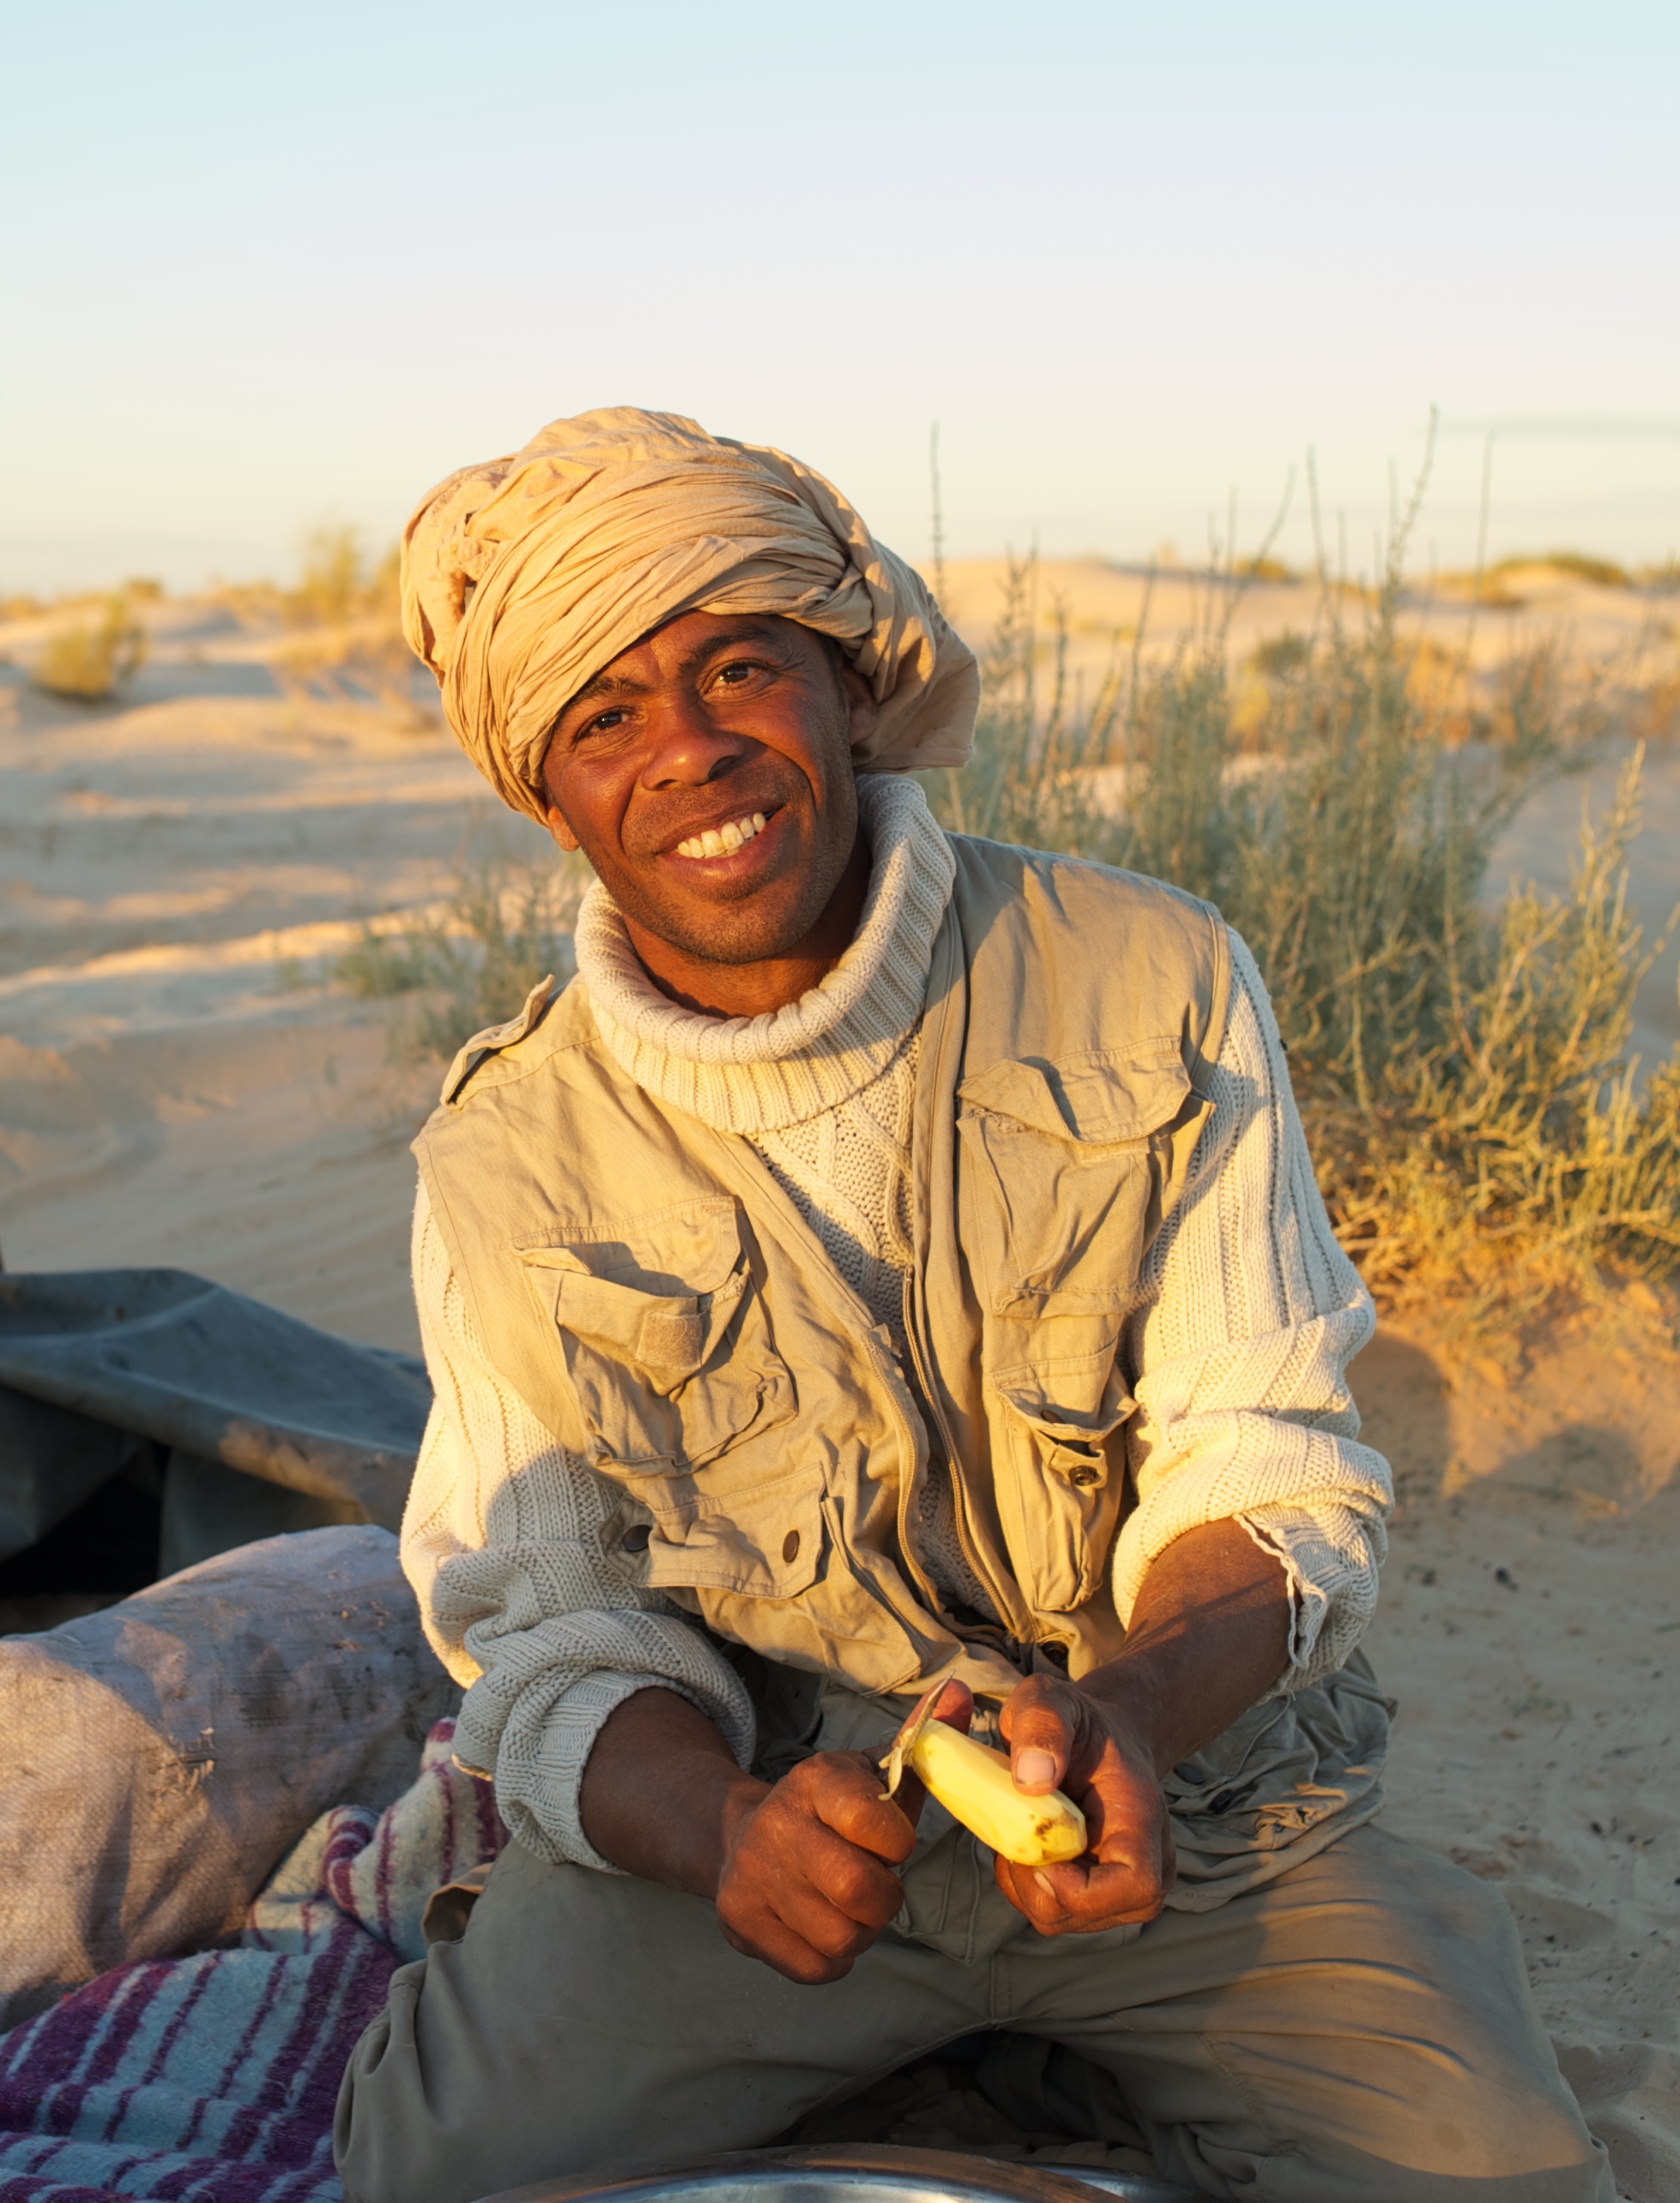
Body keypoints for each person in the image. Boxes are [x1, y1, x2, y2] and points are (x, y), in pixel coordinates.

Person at [331, 410, 1613, 2203]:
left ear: (850, 688)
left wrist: (1134, 1718)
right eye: (605, 718)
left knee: (1498, 2176)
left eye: (738, 669)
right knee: (431, 2180)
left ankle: (1044, 2043)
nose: (691, 749)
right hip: (770, 1838)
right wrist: (720, 1831)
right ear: (546, 797)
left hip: (1171, 1791)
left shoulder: (1151, 976)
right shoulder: (505, 1155)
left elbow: (1265, 1461)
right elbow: (548, 1620)